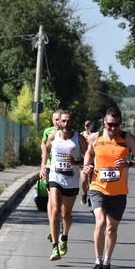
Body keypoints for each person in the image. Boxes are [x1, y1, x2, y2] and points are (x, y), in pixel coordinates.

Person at [82, 106, 135, 269]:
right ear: (104, 123)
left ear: (121, 123)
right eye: (110, 124)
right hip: (97, 188)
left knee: (112, 229)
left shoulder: (128, 139)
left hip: (118, 192)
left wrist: (128, 164)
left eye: (117, 125)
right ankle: (97, 262)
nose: (113, 128)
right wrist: (86, 167)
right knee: (100, 222)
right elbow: (88, 154)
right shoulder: (95, 138)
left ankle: (106, 263)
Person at [40, 110, 88, 261]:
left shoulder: (78, 138)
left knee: (66, 214)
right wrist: (43, 166)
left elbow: (88, 158)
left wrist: (78, 162)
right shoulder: (53, 136)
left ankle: (64, 237)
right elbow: (46, 149)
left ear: (72, 122)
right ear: (58, 122)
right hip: (56, 177)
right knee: (54, 210)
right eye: (63, 121)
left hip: (71, 180)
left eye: (69, 121)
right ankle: (55, 248)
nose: (66, 124)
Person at [41, 109, 62, 240]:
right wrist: (43, 165)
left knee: (59, 203)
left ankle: (58, 224)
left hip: (63, 169)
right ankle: (53, 226)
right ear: (53, 120)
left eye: (60, 119)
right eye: (56, 119)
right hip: (50, 168)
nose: (58, 122)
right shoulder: (48, 132)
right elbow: (44, 145)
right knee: (51, 200)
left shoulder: (67, 133)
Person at [80, 121, 99, 205]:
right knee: (83, 180)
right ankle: (84, 193)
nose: (87, 127)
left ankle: (91, 197)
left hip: (94, 161)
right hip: (84, 160)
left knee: (92, 181)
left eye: (89, 125)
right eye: (86, 125)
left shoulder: (97, 136)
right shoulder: (82, 135)